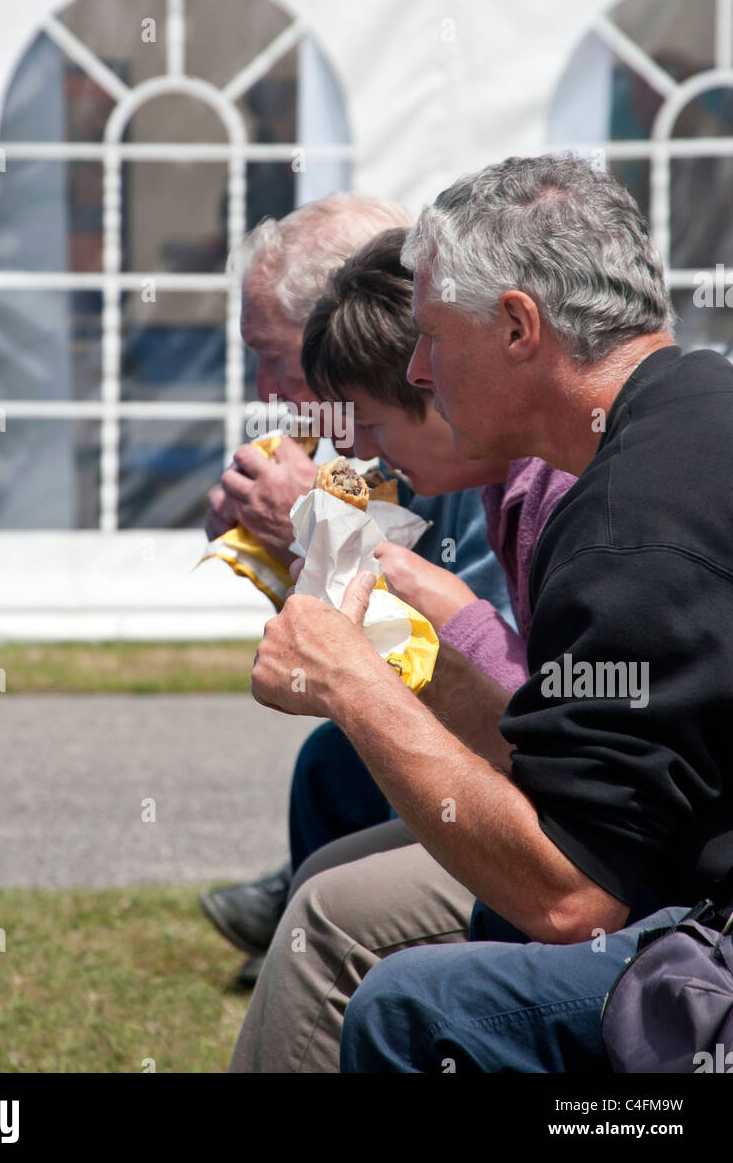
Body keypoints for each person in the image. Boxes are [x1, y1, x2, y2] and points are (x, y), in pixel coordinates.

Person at [244, 153, 733, 1074]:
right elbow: (575, 760)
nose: (417, 368)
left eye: (431, 334)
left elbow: (570, 899)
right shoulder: (694, 412)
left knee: (408, 1005)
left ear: (517, 326)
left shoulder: (629, 522)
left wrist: (353, 682)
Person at [228, 228, 573, 1071]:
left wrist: (352, 579)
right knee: (331, 794)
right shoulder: (494, 477)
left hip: (599, 852)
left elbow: (528, 720)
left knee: (332, 912)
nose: (351, 445)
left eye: (365, 417)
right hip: (564, 806)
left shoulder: (555, 485)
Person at [199, 199, 513, 979]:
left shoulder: (471, 452)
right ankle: (304, 937)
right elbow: (350, 646)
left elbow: (464, 675)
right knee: (331, 762)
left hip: (539, 788)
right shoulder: (405, 434)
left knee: (337, 784)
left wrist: (310, 526)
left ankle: (324, 938)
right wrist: (277, 554)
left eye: (282, 358)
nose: (269, 389)